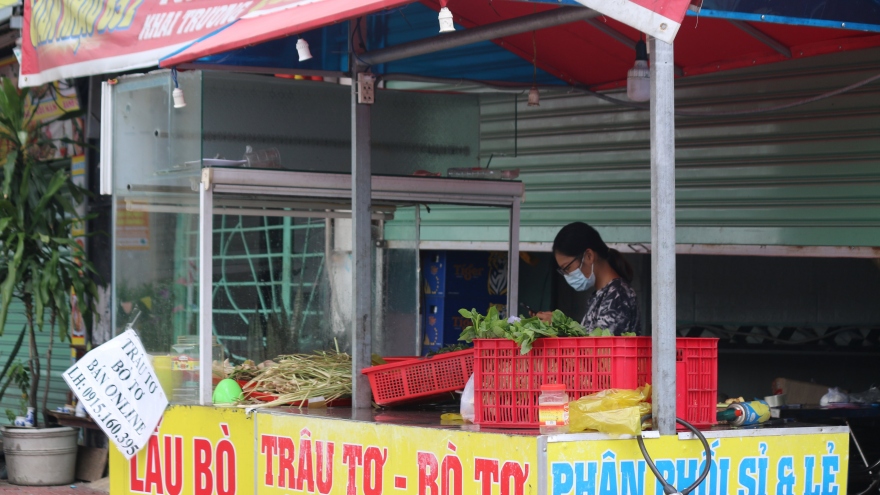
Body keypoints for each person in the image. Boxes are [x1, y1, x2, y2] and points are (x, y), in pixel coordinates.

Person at [536, 222, 640, 335]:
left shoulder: (617, 296)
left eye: (567, 268)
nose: (567, 275)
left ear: (589, 256)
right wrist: (558, 324)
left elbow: (601, 349)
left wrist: (560, 327)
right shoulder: (600, 295)